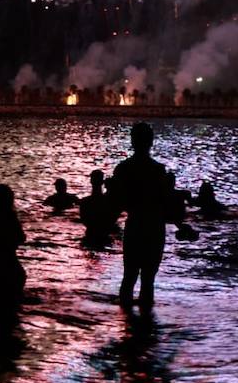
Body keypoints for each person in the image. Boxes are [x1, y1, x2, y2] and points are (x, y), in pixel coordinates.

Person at [108, 122, 186, 308]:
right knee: (148, 279)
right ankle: (146, 327)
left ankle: (126, 324)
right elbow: (164, 201)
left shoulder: (123, 169)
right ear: (151, 142)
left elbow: (117, 203)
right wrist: (180, 224)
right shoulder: (157, 170)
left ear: (132, 141)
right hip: (153, 227)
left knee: (129, 276)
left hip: (135, 225)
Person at [0, 184, 25, 301]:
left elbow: (20, 237)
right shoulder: (3, 218)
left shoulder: (7, 219)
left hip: (7, 273)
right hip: (3, 271)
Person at [79, 169, 118, 242]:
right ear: (102, 182)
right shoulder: (109, 201)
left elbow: (84, 220)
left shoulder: (85, 202)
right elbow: (112, 220)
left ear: (91, 181)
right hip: (104, 236)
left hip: (90, 235)